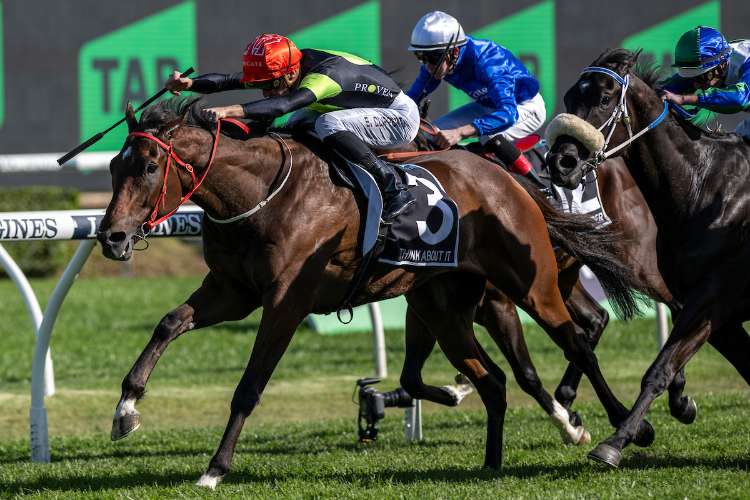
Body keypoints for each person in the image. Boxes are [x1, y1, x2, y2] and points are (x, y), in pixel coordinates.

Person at [166, 33, 419, 221]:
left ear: (289, 74)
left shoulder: (323, 78)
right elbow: (229, 80)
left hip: (398, 118)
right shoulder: (287, 66)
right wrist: (190, 84)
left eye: (269, 85)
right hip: (353, 108)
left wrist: (228, 111)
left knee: (326, 123)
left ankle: (393, 187)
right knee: (291, 126)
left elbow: (282, 105)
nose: (265, 91)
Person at [406, 11, 547, 181]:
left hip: (524, 107)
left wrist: (459, 133)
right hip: (487, 106)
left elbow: (508, 115)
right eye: (421, 57)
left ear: (454, 52)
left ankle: (538, 188)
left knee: (490, 135)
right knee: (431, 135)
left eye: (432, 58)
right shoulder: (441, 61)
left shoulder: (489, 62)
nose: (428, 65)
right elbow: (410, 100)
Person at [661, 26, 750, 138]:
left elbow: (740, 100)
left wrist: (683, 99)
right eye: (693, 78)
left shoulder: (746, 60)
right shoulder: (714, 64)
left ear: (722, 65)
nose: (696, 84)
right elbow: (664, 90)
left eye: (700, 77)